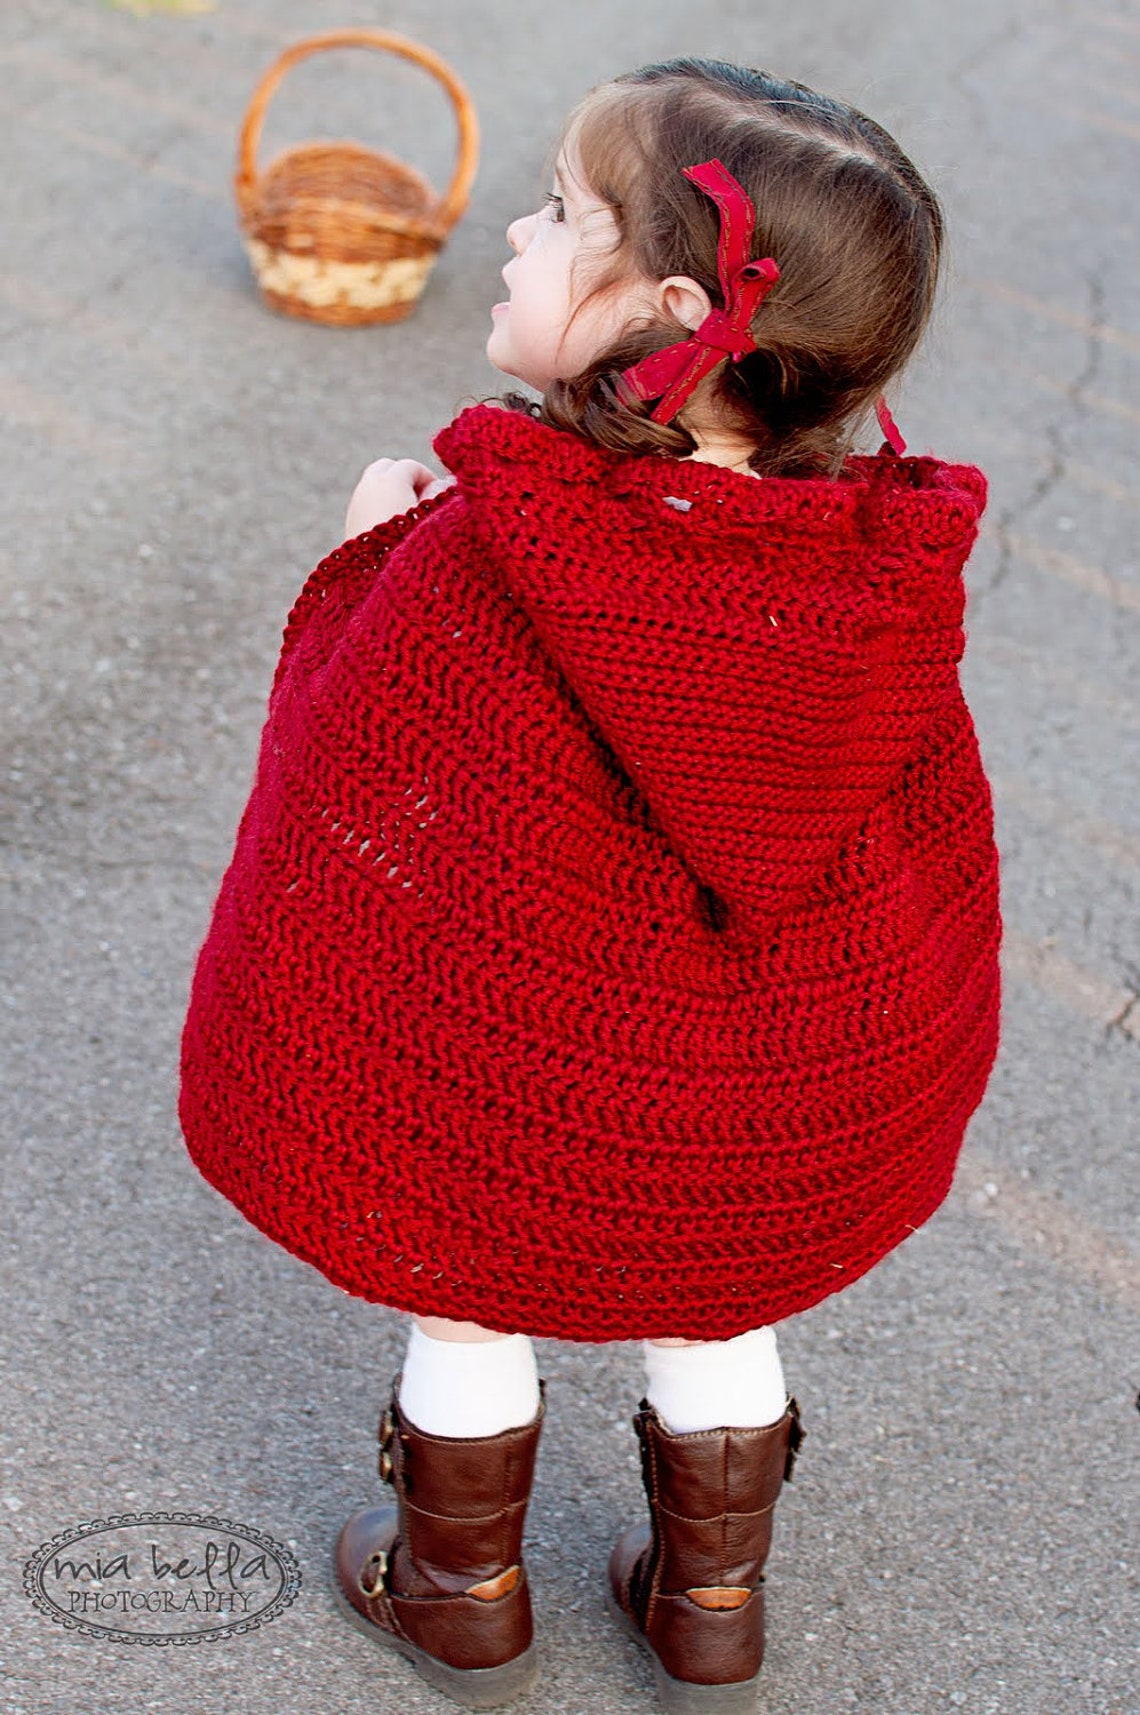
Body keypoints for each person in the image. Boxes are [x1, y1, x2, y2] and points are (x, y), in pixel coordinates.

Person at [179, 56, 1001, 1715]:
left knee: (471, 1284)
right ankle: (712, 1603)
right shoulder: (867, 590)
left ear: (673, 307)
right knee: (711, 1303)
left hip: (522, 1082)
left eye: (561, 216)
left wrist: (366, 551)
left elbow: (356, 794)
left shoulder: (500, 546)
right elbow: (893, 834)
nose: (514, 234)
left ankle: (459, 1589)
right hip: (754, 1121)